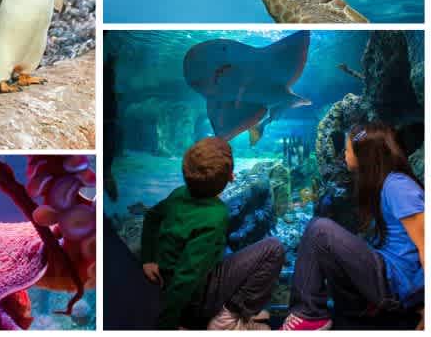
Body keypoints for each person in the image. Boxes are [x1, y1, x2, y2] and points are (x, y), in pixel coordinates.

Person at [282, 122, 424, 330]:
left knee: (319, 230)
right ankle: (357, 312)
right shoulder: (384, 184)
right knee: (334, 247)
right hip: (388, 280)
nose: (343, 154)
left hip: (394, 284)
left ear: (363, 154)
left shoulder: (398, 186)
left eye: (347, 149)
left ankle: (309, 315)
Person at [141, 137, 285, 330]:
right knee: (273, 248)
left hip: (170, 281)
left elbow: (151, 216)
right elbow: (187, 277)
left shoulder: (179, 194)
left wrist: (148, 258)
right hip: (195, 300)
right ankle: (228, 317)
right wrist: (168, 324)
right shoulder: (216, 215)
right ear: (231, 177)